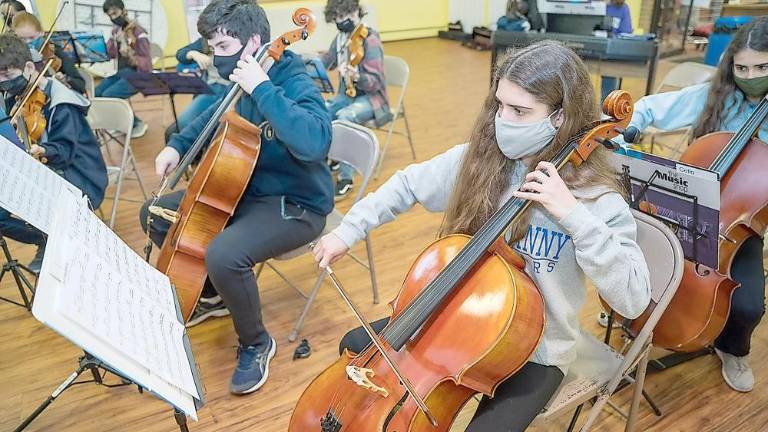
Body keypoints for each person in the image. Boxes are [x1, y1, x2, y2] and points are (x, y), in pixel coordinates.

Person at [312, 40, 651, 431]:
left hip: (537, 350)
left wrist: (574, 216)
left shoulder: (596, 200)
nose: (501, 120)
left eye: (520, 111)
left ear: (560, 117)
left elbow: (633, 298)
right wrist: (348, 231)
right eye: (500, 105)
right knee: (355, 348)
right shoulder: (480, 160)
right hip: (457, 318)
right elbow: (405, 184)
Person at [139, 0, 333, 395]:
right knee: (155, 213)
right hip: (244, 190)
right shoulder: (238, 77)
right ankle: (215, 295)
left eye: (223, 49)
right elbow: (213, 110)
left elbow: (314, 141)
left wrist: (263, 87)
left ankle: (257, 342)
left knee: (225, 253)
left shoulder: (293, 77)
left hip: (295, 204)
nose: (216, 59)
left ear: (254, 43)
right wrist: (176, 146)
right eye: (212, 49)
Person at [619, 17, 768, 393]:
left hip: (738, 227)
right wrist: (630, 125)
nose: (750, 75)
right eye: (742, 67)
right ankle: (633, 314)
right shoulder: (716, 94)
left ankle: (732, 349)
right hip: (684, 212)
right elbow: (650, 109)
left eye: (762, 67)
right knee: (639, 265)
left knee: (749, 307)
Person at [0, 33, 107, 272]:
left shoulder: (61, 103)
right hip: (45, 170)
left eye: (7, 75)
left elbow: (65, 151)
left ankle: (58, 238)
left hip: (79, 176)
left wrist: (41, 150)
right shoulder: (14, 97)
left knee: (13, 202)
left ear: (29, 67)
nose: (3, 82)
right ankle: (47, 239)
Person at [321, 0, 391, 200]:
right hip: (348, 95)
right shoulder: (341, 38)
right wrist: (307, 61)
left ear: (355, 12)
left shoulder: (370, 39)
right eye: (337, 17)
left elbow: (376, 83)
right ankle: (333, 156)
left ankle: (346, 178)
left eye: (344, 15)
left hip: (372, 98)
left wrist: (357, 76)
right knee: (322, 109)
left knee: (345, 116)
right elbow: (327, 61)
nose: (340, 21)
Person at [95, 0, 151, 138]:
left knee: (110, 95)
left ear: (123, 10)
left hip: (140, 75)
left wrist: (131, 54)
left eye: (115, 13)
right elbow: (110, 54)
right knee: (98, 93)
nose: (113, 18)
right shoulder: (116, 31)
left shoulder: (138, 31)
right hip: (122, 73)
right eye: (110, 16)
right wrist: (116, 42)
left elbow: (146, 63)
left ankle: (136, 123)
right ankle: (122, 123)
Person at [164, 37, 229, 145]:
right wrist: (194, 53)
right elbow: (180, 54)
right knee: (173, 131)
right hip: (210, 88)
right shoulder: (205, 41)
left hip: (225, 89)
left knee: (183, 129)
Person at [11, 12, 87, 95]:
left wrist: (65, 80)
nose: (28, 43)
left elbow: (81, 85)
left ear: (41, 33)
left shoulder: (55, 53)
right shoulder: (12, 57)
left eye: (32, 38)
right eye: (22, 39)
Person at [600, 0, 633, 102]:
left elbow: (626, 33)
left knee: (609, 92)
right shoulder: (591, 3)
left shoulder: (623, 8)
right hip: (588, 48)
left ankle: (605, 112)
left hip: (610, 53)